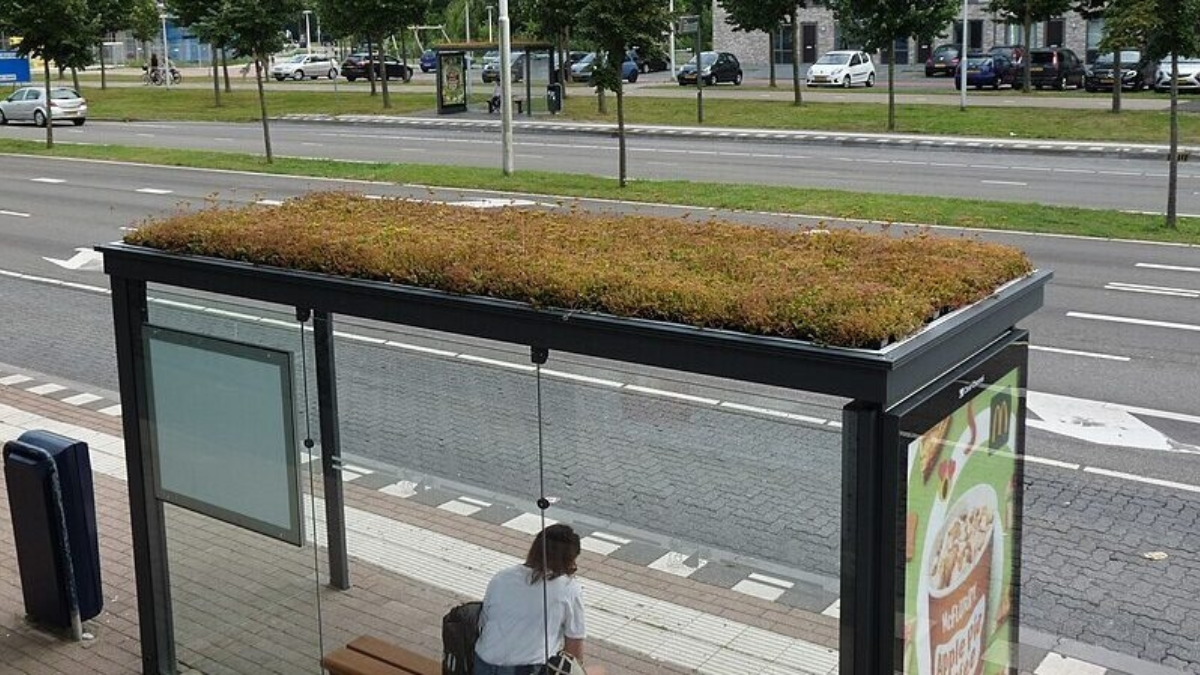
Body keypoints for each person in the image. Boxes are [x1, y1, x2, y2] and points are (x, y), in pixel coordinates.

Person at [474, 525, 605, 675]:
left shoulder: (502, 577)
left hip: (483, 663)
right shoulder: (569, 589)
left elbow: (483, 623)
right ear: (570, 559)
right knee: (600, 671)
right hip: (529, 669)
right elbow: (574, 653)